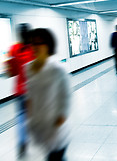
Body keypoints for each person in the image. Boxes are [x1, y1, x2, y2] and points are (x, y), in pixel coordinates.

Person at [25, 28, 71, 161]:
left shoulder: (58, 68)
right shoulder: (28, 68)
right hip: (39, 125)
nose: (35, 47)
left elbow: (66, 95)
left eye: (39, 43)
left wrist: (61, 118)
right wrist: (29, 116)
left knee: (55, 156)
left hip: (56, 126)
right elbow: (30, 93)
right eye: (33, 43)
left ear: (49, 45)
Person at [6, 23, 35, 158]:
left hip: (19, 91)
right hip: (33, 90)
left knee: (21, 117)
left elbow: (10, 73)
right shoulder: (34, 49)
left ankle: (22, 142)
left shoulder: (13, 49)